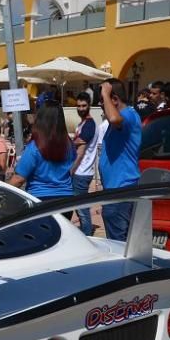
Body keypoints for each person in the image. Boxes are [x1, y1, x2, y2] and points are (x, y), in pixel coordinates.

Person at [99, 78, 143, 241]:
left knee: (119, 245)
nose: (102, 105)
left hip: (120, 189)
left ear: (115, 100)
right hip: (116, 189)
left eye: (103, 101)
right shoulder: (124, 117)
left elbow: (114, 119)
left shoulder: (128, 115)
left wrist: (105, 93)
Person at [8, 104, 75, 201]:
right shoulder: (69, 144)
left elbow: (19, 179)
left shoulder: (35, 147)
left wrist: (2, 194)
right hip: (66, 199)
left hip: (41, 200)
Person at [70, 92, 102, 235]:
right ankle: (86, 232)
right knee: (79, 207)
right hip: (82, 171)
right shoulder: (83, 123)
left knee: (81, 209)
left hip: (81, 172)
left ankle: (87, 235)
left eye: (84, 105)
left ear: (89, 105)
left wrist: (72, 170)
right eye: (78, 106)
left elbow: (81, 151)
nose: (81, 108)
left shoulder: (89, 125)